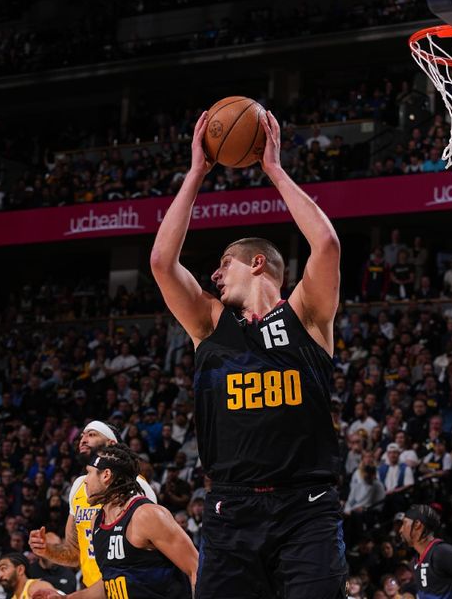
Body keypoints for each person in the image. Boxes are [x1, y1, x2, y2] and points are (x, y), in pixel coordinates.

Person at [150, 110, 346, 598]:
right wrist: (196, 173)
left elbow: (325, 243)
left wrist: (273, 169)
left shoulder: (306, 315)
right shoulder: (210, 325)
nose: (215, 275)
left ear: (258, 264)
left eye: (224, 264)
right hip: (230, 510)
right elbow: (161, 262)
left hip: (306, 508)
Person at [34, 446, 197, 599]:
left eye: (89, 473)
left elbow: (196, 568)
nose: (85, 481)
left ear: (106, 475)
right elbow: (108, 585)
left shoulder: (145, 515)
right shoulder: (96, 522)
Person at [29, 421, 157, 588]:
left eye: (91, 434)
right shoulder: (79, 486)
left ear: (112, 444)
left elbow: (154, 547)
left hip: (130, 588)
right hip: (92, 589)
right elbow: (75, 553)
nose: (82, 440)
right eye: (82, 435)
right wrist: (46, 550)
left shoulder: (135, 485)